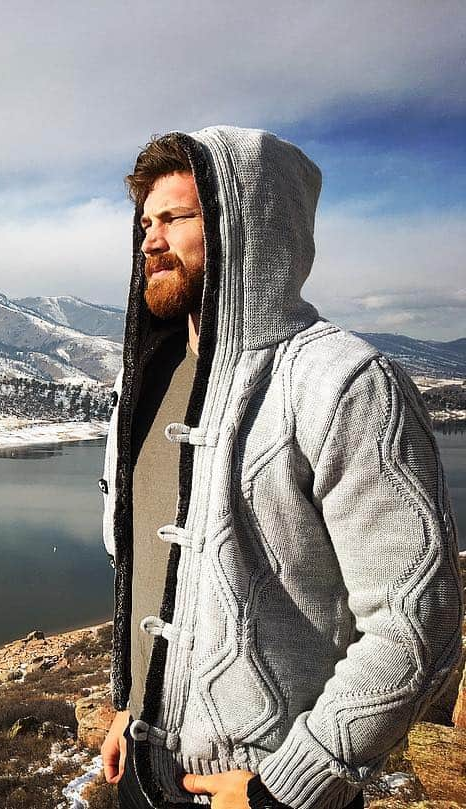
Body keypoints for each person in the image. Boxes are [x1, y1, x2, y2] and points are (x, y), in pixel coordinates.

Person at [96, 126, 462, 809]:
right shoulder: (141, 386)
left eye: (175, 217)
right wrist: (130, 701)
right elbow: (144, 573)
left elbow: (418, 622)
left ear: (250, 227)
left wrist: (287, 787)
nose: (149, 239)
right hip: (141, 779)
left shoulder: (344, 382)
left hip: (261, 790)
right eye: (145, 221)